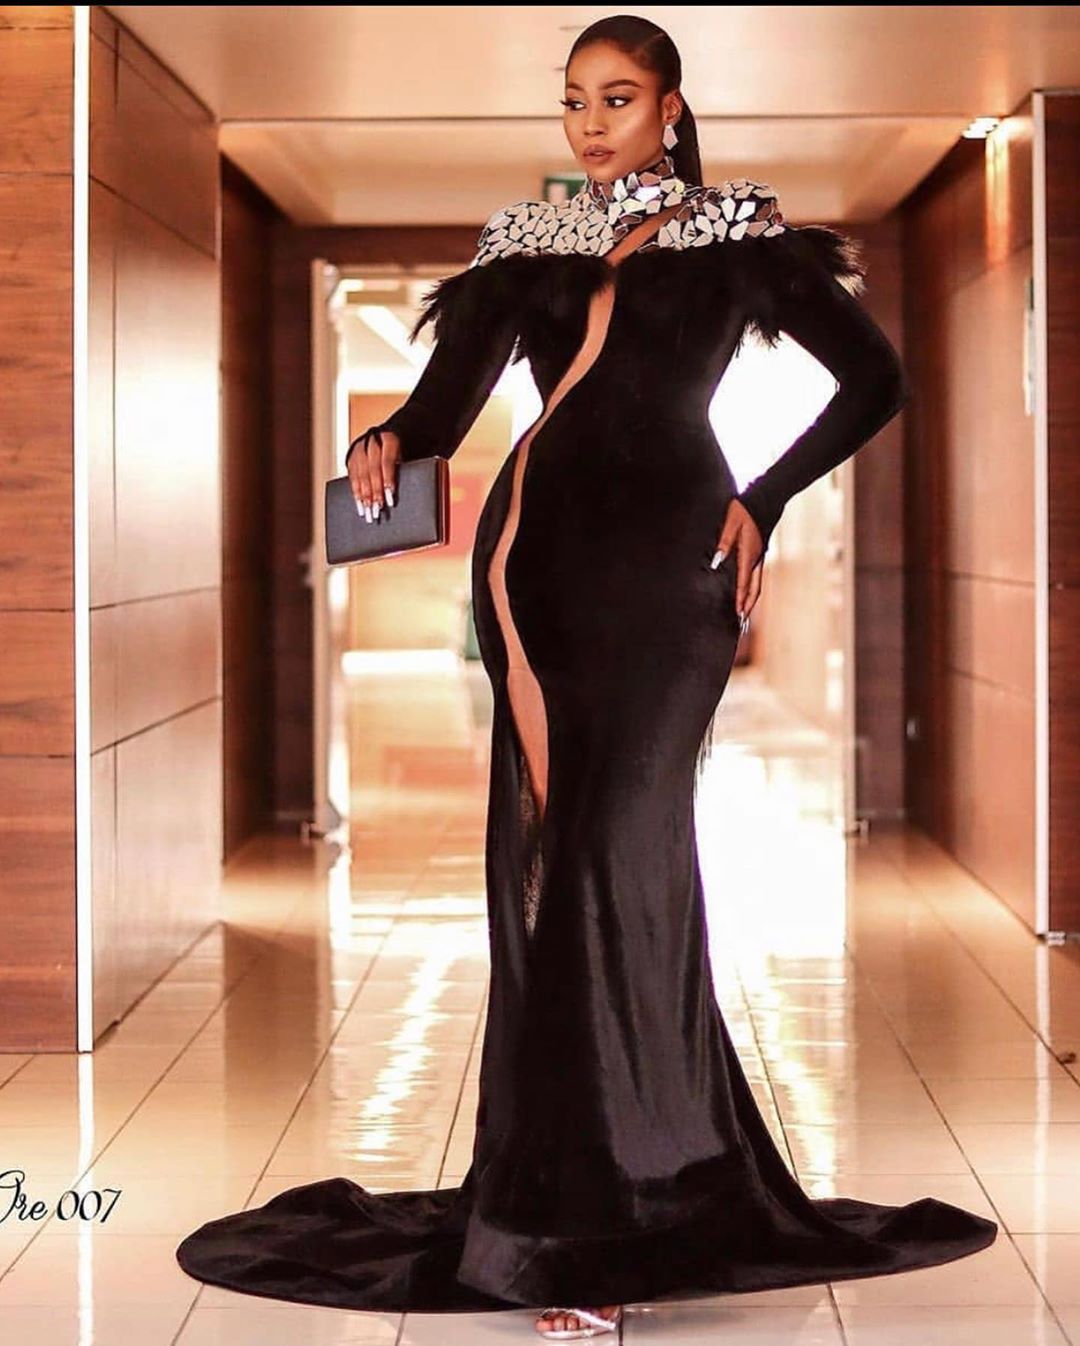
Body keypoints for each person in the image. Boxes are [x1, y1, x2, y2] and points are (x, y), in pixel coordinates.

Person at [176, 14, 998, 1340]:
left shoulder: (742, 237)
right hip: (532, 560)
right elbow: (444, 409)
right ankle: (564, 1208)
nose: (592, 122)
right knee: (560, 862)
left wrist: (765, 496)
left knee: (625, 854)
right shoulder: (527, 242)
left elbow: (874, 381)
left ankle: (637, 1188)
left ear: (672, 107)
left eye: (618, 98)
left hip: (671, 570)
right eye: (574, 101)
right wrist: (390, 439)